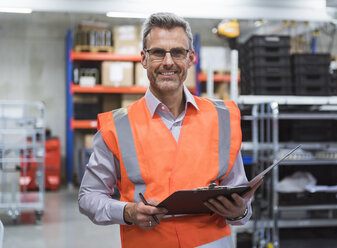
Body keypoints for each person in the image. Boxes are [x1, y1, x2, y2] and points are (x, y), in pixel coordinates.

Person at [78, 12, 262, 248]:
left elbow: (240, 197)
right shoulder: (117, 126)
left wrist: (239, 212)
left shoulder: (222, 116)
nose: (168, 62)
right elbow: (88, 198)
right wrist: (128, 212)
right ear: (143, 59)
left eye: (177, 52)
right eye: (157, 53)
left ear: (190, 59)